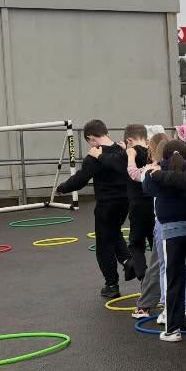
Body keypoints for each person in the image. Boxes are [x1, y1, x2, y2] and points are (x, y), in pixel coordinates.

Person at [56, 118, 130, 298]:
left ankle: (112, 285)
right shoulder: (123, 150)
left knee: (104, 244)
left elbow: (81, 179)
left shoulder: (95, 155)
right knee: (114, 233)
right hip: (125, 202)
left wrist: (62, 188)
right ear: (106, 132)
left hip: (106, 205)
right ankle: (129, 261)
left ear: (91, 138)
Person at [141, 138, 186, 342]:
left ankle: (173, 328)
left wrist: (153, 167)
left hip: (171, 231)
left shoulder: (157, 172)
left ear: (163, 156)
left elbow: (147, 190)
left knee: (173, 277)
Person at [131, 130, 170, 319]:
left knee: (159, 265)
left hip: (163, 223)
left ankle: (148, 305)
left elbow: (135, 175)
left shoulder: (153, 170)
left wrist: (130, 156)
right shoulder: (183, 167)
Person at [123, 123, 154, 282]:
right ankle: (160, 277)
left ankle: (143, 276)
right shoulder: (153, 151)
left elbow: (131, 173)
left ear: (129, 140)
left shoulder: (131, 154)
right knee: (155, 242)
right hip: (154, 205)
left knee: (136, 244)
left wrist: (127, 153)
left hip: (137, 206)